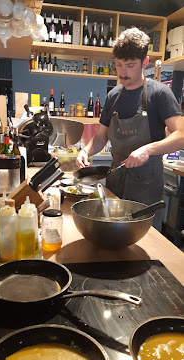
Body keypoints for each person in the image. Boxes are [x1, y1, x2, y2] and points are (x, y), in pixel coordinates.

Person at [76, 27, 184, 230]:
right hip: (116, 183)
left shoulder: (159, 94)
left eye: (130, 65)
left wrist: (148, 149)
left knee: (144, 247)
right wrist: (85, 151)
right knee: (113, 233)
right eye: (118, 65)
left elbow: (181, 135)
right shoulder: (113, 96)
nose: (123, 73)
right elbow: (100, 137)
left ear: (145, 62)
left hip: (146, 188)